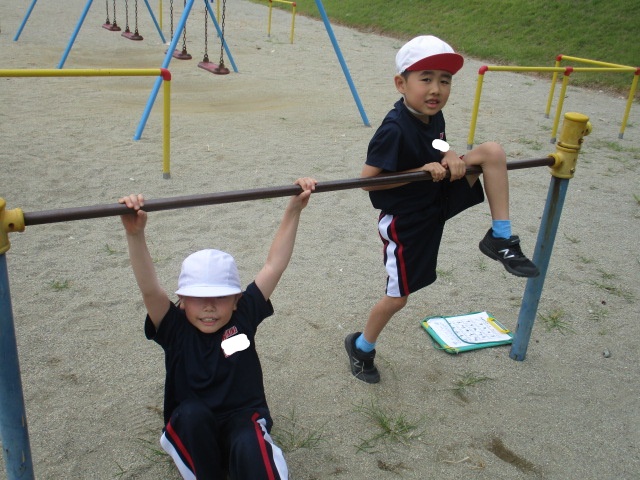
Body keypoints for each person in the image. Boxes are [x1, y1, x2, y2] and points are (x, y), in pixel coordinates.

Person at [345, 35, 539, 384]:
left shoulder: (432, 114)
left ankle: (501, 237)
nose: (436, 89)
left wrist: (448, 153)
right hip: (406, 220)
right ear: (401, 84)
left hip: (434, 197)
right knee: (397, 298)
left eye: (445, 81)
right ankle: (361, 347)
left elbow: (437, 140)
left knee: (491, 152)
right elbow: (367, 182)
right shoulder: (394, 129)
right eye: (426, 79)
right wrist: (418, 172)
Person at [119, 177, 317, 479]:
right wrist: (135, 234)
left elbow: (274, 266)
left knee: (250, 441)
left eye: (221, 297)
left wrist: (293, 210)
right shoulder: (174, 328)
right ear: (182, 301)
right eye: (198, 299)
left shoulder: (243, 316)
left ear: (237, 300)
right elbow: (149, 289)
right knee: (191, 415)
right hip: (194, 426)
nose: (209, 307)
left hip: (241, 417)